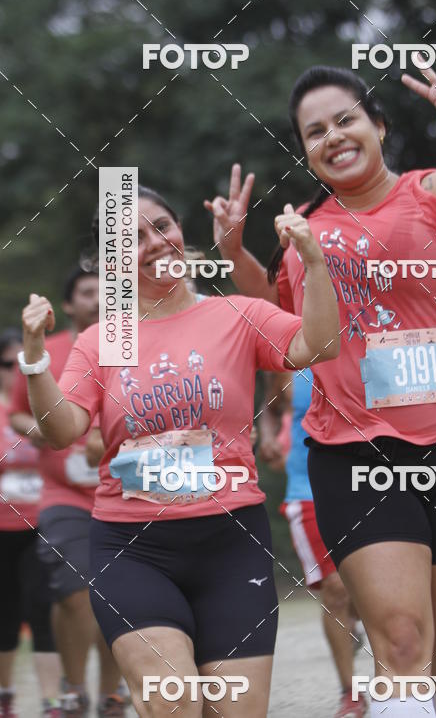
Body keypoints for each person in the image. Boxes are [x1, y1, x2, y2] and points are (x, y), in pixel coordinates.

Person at [204, 62, 436, 717]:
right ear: (306, 151)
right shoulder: (303, 234)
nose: (333, 136)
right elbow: (284, 335)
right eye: (314, 131)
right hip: (351, 453)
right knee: (401, 641)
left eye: (346, 119)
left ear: (378, 124)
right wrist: (236, 252)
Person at [20, 185, 340, 718]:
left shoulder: (236, 315)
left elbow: (320, 344)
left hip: (231, 540)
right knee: (175, 705)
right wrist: (34, 361)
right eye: (132, 238)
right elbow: (61, 429)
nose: (152, 243)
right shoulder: (103, 340)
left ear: (181, 231)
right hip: (134, 548)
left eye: (161, 226)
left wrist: (313, 259)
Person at [10, 268, 124, 717]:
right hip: (63, 495)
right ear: (69, 304)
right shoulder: (46, 351)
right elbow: (18, 413)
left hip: (124, 491)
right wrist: (38, 430)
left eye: (104, 292)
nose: (96, 299)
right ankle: (74, 689)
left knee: (117, 595)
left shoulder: (133, 346)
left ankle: (112, 693)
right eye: (85, 292)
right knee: (76, 592)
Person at [259, 369, 367, 717]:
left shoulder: (367, 342)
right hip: (307, 491)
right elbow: (272, 405)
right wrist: (268, 436)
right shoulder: (293, 360)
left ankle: (364, 625)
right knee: (336, 588)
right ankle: (351, 693)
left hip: (366, 484)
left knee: (368, 589)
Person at [0, 328, 62, 718]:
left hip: (42, 522)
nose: (15, 372)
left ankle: (53, 702)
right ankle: (5, 697)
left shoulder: (45, 408)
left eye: (22, 365)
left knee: (43, 608)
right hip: (1, 529)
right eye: (8, 364)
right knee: (5, 614)